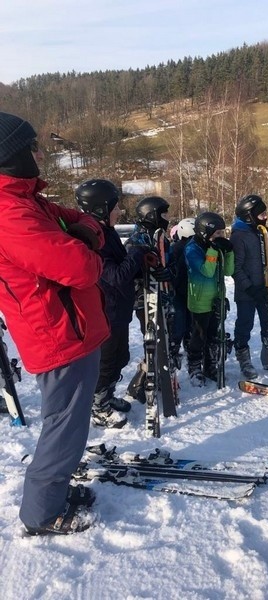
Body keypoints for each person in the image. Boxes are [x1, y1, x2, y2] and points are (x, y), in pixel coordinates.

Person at [0, 112, 110, 535]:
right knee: (64, 427)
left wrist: (83, 232)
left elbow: (83, 222)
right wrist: (83, 239)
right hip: (58, 335)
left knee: (69, 422)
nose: (40, 154)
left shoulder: (27, 201)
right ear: (9, 158)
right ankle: (43, 513)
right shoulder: (10, 214)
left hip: (70, 329)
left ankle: (54, 493)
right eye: (32, 148)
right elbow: (81, 268)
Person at [75, 179, 152, 428]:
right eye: (115, 207)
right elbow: (116, 275)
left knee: (120, 357)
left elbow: (124, 269)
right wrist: (136, 252)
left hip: (118, 309)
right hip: (105, 310)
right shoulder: (94, 238)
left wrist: (140, 264)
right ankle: (98, 407)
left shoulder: (107, 232)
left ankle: (106, 397)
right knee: (107, 361)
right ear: (101, 209)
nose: (120, 211)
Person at [230, 194, 268, 379]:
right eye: (261, 214)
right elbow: (236, 268)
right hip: (247, 292)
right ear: (249, 215)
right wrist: (249, 287)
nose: (265, 217)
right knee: (245, 325)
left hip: (266, 289)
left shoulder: (265, 232)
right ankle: (244, 359)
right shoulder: (238, 235)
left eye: (265, 213)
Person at [125, 196, 174, 402]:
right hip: (144, 298)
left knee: (165, 338)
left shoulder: (160, 237)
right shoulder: (137, 239)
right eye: (162, 214)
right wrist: (148, 272)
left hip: (162, 295)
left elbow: (166, 261)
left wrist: (167, 273)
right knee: (153, 340)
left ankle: (158, 375)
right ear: (151, 214)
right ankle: (141, 381)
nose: (166, 218)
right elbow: (130, 268)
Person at [185, 212, 234, 386]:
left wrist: (228, 252)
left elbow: (228, 271)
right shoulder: (192, 249)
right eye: (217, 233)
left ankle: (210, 364)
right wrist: (214, 249)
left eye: (223, 233)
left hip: (216, 297)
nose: (221, 237)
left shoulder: (217, 247)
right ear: (205, 233)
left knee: (213, 334)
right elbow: (207, 271)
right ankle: (194, 366)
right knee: (199, 335)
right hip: (199, 301)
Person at [171, 217, 196, 366]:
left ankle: (187, 343)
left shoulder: (186, 246)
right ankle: (175, 347)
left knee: (188, 321)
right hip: (180, 291)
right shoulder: (178, 248)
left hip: (188, 291)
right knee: (180, 322)